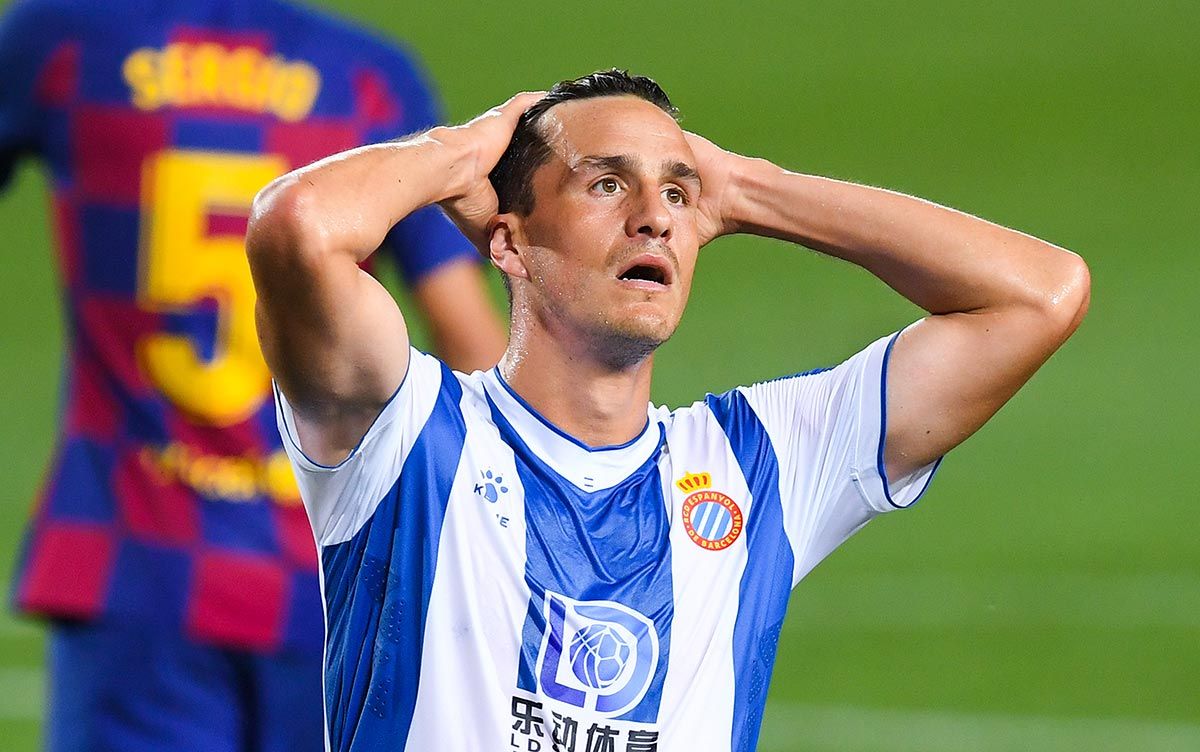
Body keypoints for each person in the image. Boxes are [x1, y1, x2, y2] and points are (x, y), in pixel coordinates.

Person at [248, 70, 1091, 751]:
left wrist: (748, 187)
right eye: (607, 184)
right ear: (509, 241)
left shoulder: (760, 463)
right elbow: (298, 224)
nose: (653, 218)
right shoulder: (405, 435)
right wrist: (461, 151)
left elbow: (1041, 295)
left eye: (679, 196)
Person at [0, 0, 506, 749]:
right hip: (336, 575)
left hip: (135, 568)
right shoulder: (368, 80)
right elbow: (472, 340)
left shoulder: (67, 39)